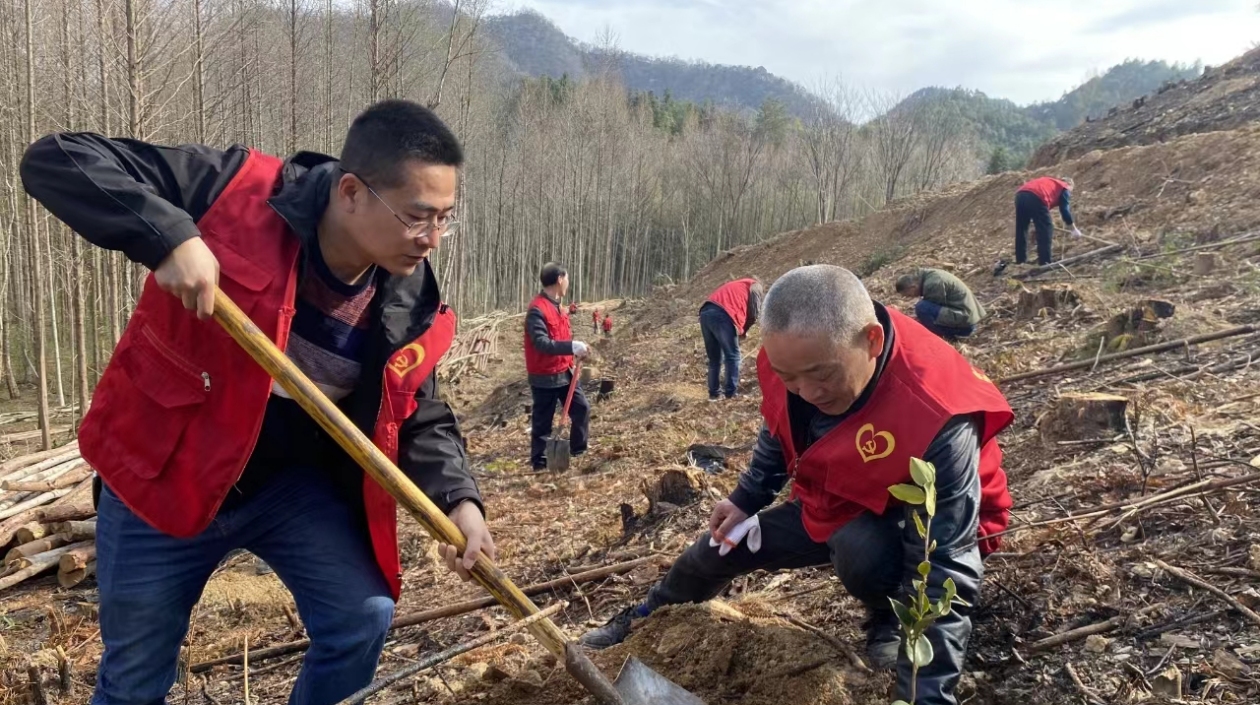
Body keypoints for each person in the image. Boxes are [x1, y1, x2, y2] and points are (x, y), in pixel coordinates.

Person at [20, 100, 495, 705]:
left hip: (289, 488)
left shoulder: (408, 298)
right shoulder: (234, 190)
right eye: (417, 217)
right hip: (163, 472)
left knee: (361, 618)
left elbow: (419, 408)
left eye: (445, 220)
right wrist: (170, 236)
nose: (431, 240)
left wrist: (461, 501)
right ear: (351, 192)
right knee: (135, 680)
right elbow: (57, 159)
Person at [579, 265, 1014, 705]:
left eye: (821, 376)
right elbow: (780, 424)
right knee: (716, 548)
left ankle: (890, 617)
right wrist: (747, 498)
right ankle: (641, 618)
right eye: (790, 378)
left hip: (907, 520)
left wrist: (927, 695)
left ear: (872, 342)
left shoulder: (936, 410)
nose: (806, 392)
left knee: (860, 551)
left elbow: (946, 561)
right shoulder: (790, 356)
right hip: (832, 495)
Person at [524, 262, 591, 471]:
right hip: (544, 376)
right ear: (560, 279)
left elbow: (561, 337)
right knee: (543, 422)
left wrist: (576, 351)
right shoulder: (537, 310)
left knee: (581, 409)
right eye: (567, 279)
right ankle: (540, 462)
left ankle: (577, 450)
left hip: (565, 372)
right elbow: (542, 343)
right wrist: (572, 346)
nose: (568, 283)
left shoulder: (559, 307)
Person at [700, 278, 764, 401]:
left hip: (705, 312)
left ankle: (714, 394)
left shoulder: (737, 285)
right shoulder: (755, 285)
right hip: (722, 314)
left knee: (715, 358)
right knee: (732, 356)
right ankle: (730, 394)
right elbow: (754, 312)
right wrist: (743, 331)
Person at [894, 268, 985, 339]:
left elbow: (932, 312)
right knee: (923, 309)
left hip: (966, 324)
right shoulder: (929, 275)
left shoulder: (932, 284)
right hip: (967, 316)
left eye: (908, 295)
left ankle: (939, 337)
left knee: (921, 308)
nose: (909, 297)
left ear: (912, 287)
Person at [1015, 175, 1081, 266]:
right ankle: (1045, 262)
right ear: (1069, 185)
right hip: (1036, 196)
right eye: (1071, 191)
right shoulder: (1064, 187)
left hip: (1020, 195)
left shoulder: (1051, 183)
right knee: (1046, 228)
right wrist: (1073, 229)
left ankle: (1020, 261)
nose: (1070, 194)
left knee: (1021, 229)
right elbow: (1065, 210)